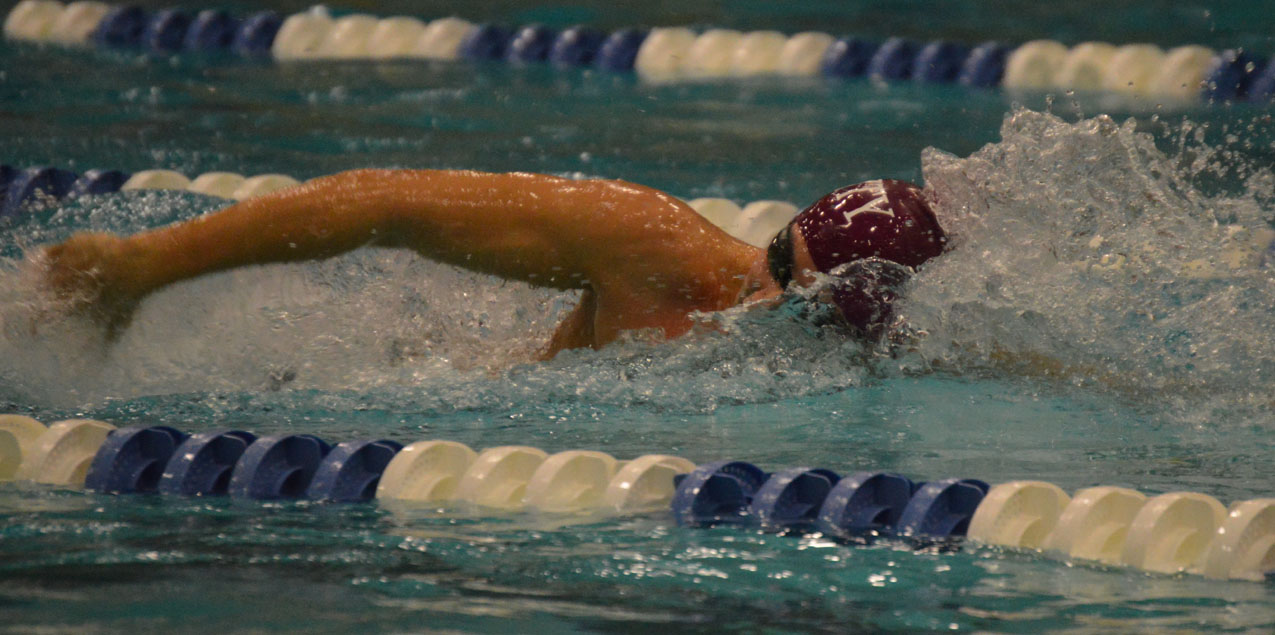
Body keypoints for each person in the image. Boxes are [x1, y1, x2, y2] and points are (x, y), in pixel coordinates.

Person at [39, 169, 947, 360]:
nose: (763, 291)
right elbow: (385, 205)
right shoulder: (644, 241)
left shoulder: (866, 358)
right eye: (775, 260)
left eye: (794, 291)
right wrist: (138, 266)